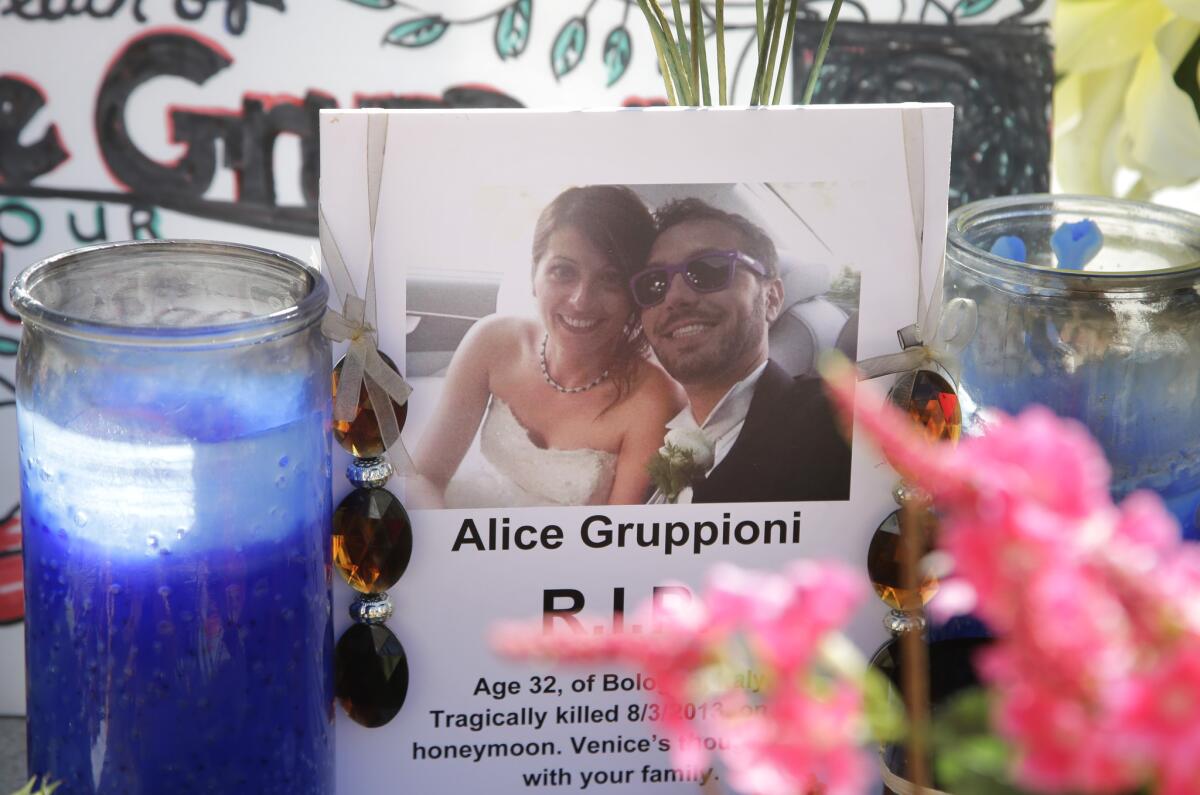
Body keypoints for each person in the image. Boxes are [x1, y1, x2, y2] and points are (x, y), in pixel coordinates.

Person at [412, 185, 685, 508]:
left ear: (634, 294)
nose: (581, 300)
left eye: (610, 279)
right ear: (534, 274)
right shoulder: (492, 341)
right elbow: (424, 477)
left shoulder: (653, 399)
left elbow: (616, 539)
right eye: (563, 272)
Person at [632, 198, 852, 504]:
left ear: (772, 298)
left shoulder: (834, 421)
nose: (675, 297)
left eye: (710, 269)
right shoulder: (664, 443)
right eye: (654, 284)